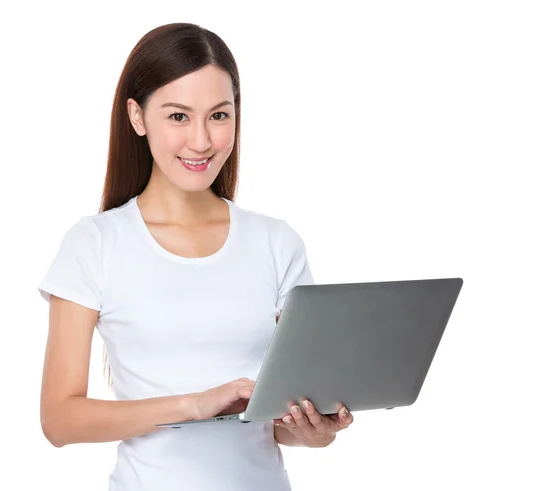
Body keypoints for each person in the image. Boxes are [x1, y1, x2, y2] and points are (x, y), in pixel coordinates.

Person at [38, 22, 354, 491]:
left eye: (219, 116)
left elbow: (284, 424)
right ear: (138, 116)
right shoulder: (95, 245)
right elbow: (59, 420)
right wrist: (193, 405)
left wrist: (315, 431)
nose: (202, 141)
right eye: (179, 116)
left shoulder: (276, 242)